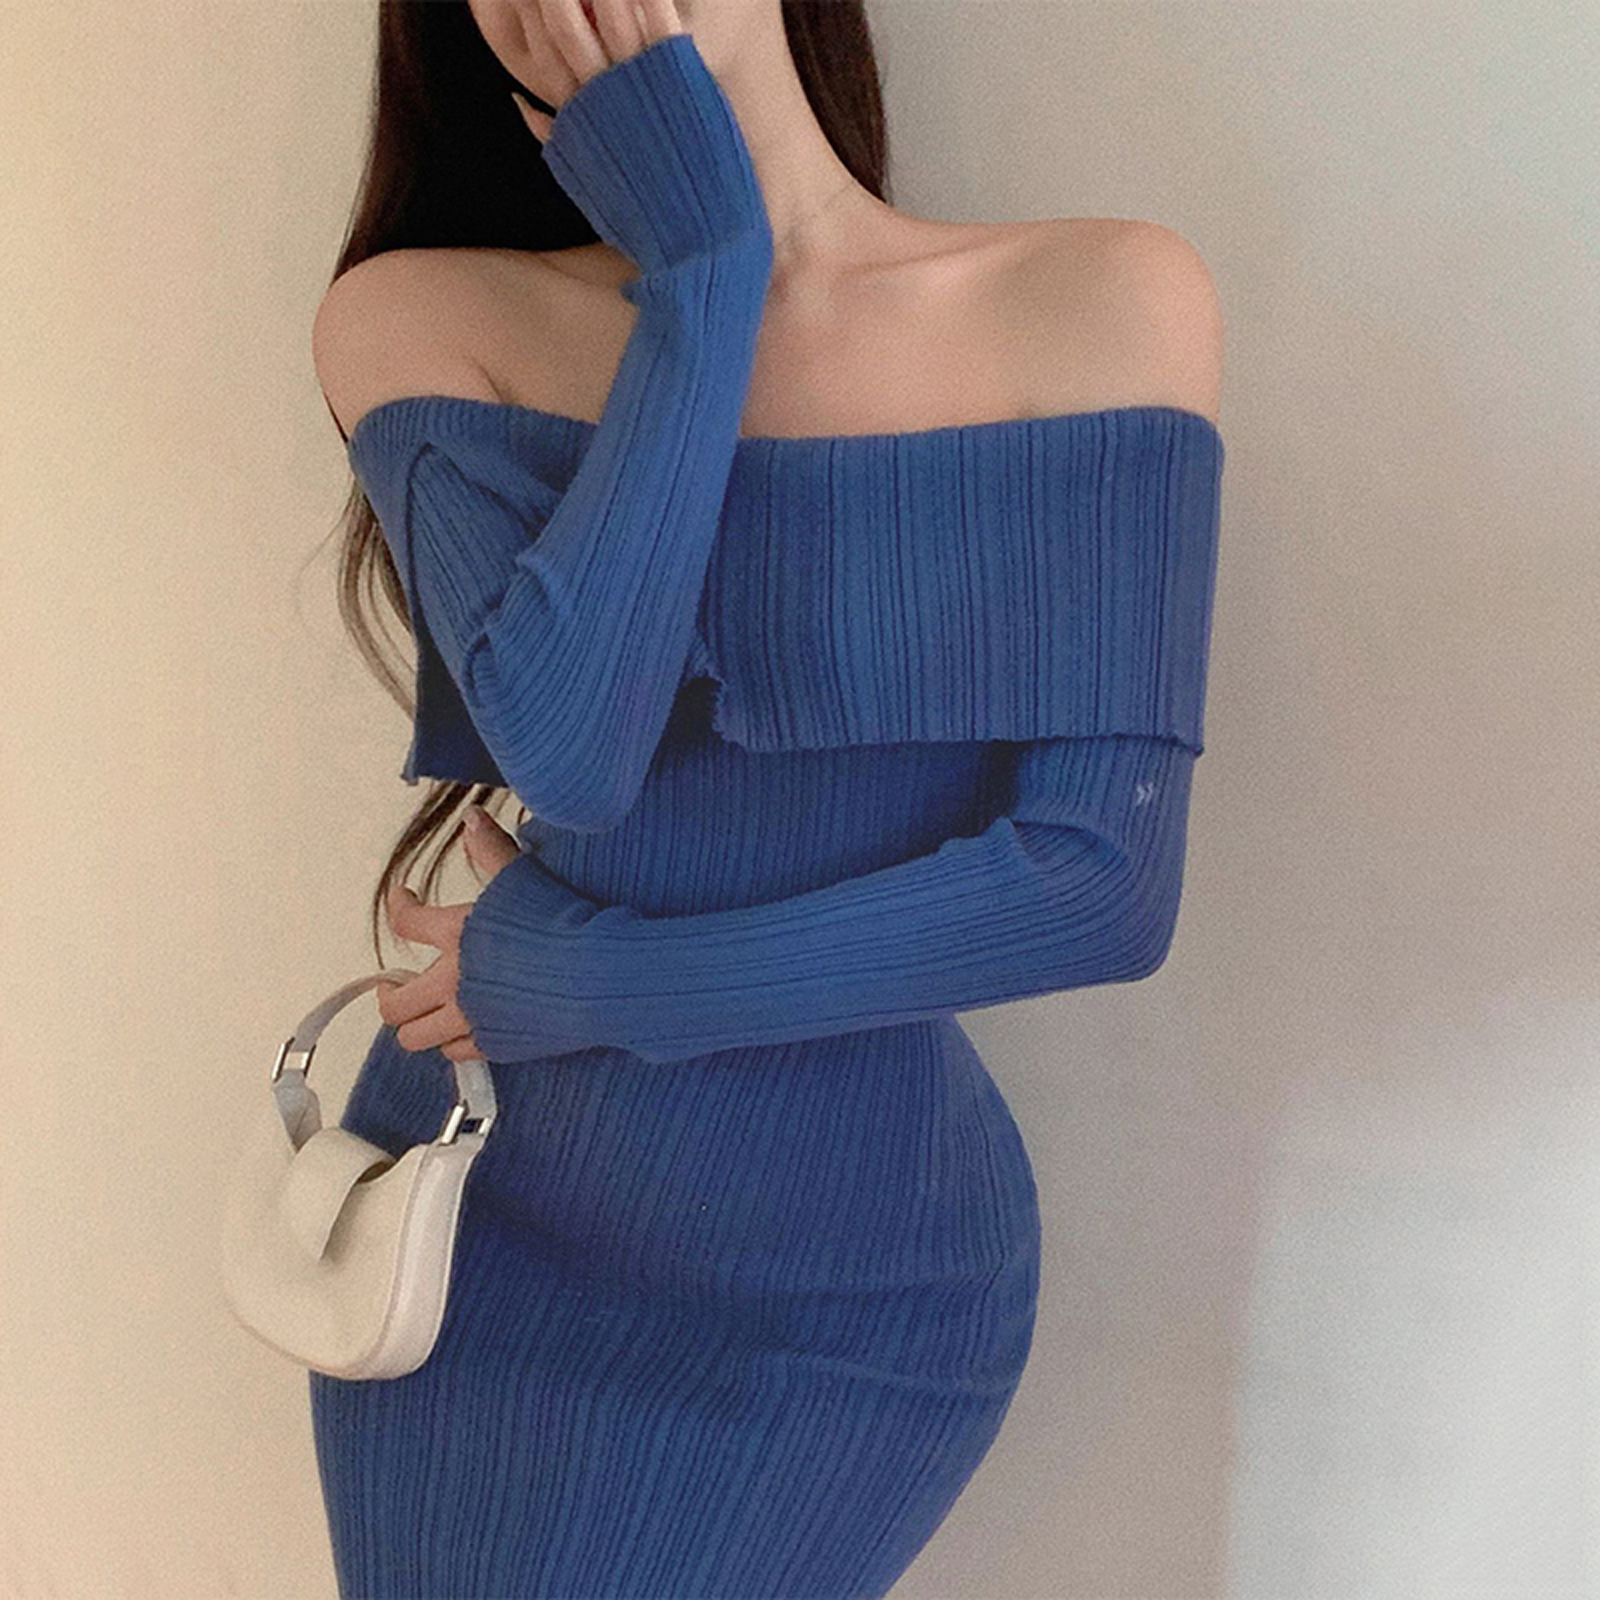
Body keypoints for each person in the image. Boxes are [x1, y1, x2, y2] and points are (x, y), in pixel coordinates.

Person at [308, 0, 1225, 1594]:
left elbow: (1099, 888)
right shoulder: (421, 317)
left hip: (854, 1293)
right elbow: (572, 753)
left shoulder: (1100, 299)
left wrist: (592, 983)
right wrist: (705, 275)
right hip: (488, 1228)